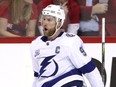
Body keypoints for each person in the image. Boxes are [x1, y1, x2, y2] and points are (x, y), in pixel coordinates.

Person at [30, 4, 104, 87]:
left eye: (49, 20)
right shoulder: (36, 45)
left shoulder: (70, 41)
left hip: (69, 83)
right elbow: (37, 76)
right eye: (43, 19)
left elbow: (89, 69)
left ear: (59, 23)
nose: (44, 23)